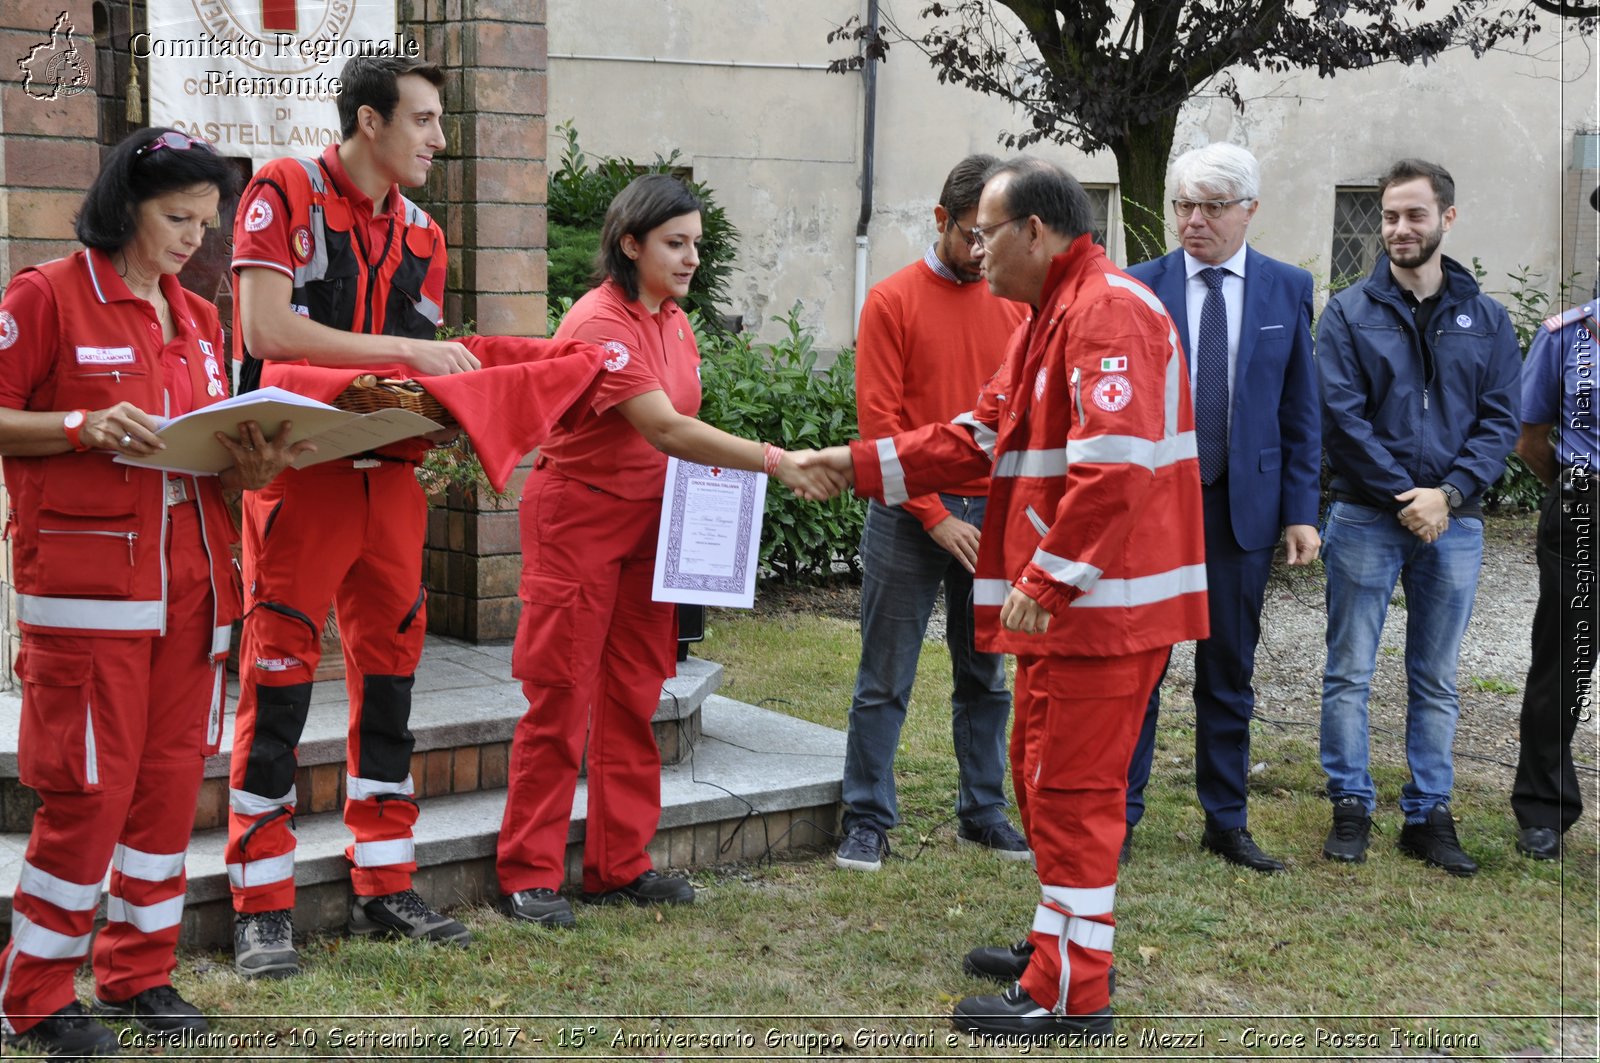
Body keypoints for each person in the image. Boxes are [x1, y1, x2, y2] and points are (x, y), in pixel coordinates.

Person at [818, 156, 1207, 1036]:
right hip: (1077, 614)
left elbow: (1115, 467)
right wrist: (854, 465)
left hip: (1103, 611)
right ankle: (1054, 951)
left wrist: (1047, 576)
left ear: (1035, 230)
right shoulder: (1048, 315)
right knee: (1045, 783)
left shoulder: (1108, 312)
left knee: (1071, 792)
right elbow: (975, 436)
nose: (976, 250)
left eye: (988, 233)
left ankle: (1072, 992)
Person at [0, 128, 308, 1056]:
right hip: (90, 600)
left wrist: (250, 464)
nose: (194, 239)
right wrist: (80, 423)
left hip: (197, 597)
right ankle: (38, 993)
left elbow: (204, 460)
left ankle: (140, 972)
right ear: (123, 205)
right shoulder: (46, 297)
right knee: (88, 792)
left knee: (169, 791)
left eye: (205, 222)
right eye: (177, 218)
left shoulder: (197, 317)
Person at [494, 174, 844, 928]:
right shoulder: (599, 321)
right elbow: (666, 428)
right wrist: (778, 460)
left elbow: (682, 436)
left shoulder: (674, 320)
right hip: (578, 522)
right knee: (559, 696)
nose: (690, 258)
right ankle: (529, 873)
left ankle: (619, 865)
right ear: (631, 243)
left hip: (650, 527)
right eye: (675, 243)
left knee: (633, 692)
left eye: (696, 244)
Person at [224, 55, 485, 979]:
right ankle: (260, 902)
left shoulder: (425, 232)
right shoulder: (283, 187)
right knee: (282, 677)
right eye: (421, 120)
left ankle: (385, 875)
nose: (438, 139)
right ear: (369, 121)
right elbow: (266, 334)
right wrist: (405, 354)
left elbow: (424, 373)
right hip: (301, 476)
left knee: (395, 682)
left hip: (392, 483)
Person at [1120, 143, 1320, 873]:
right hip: (1153, 515)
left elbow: (1301, 409)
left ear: (1248, 211)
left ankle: (1226, 820)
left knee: (1229, 670)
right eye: (1182, 205)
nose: (1192, 221)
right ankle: (1121, 817)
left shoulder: (1285, 288)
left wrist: (1302, 510)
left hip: (1243, 510)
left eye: (1210, 207)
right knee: (1139, 669)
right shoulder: (1138, 287)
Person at [1317, 158, 1520, 876]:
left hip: (1454, 523)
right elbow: (1340, 419)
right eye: (1390, 217)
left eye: (1414, 215)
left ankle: (1429, 813)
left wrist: (1450, 494)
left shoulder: (1488, 319)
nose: (1400, 229)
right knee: (1349, 669)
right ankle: (1350, 804)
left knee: (1435, 675)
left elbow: (1500, 422)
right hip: (1367, 516)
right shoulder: (1346, 311)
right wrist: (1409, 495)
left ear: (1447, 219)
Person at [834, 154, 1028, 873]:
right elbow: (878, 430)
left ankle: (982, 811)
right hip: (906, 516)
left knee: (987, 673)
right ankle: (865, 818)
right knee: (885, 675)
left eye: (995, 237)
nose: (984, 252)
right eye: (972, 235)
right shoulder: (891, 301)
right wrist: (935, 514)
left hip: (995, 513)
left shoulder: (1015, 302)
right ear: (940, 220)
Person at [1509, 295, 1598, 860]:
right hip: (1585, 508)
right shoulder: (1568, 334)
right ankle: (1544, 810)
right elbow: (1530, 436)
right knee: (1562, 662)